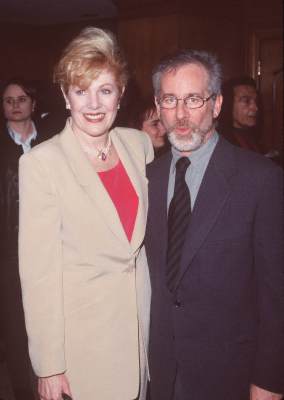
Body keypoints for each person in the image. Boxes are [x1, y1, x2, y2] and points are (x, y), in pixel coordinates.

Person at [18, 26, 154, 400]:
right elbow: (39, 275)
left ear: (121, 94)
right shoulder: (42, 164)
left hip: (141, 336)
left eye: (104, 90)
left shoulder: (139, 145)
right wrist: (49, 365)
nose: (93, 104)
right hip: (83, 347)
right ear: (65, 95)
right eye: (81, 91)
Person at [145, 50, 284, 400]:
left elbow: (276, 293)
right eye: (169, 100)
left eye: (193, 99)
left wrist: (269, 379)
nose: (180, 114)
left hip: (229, 374)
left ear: (217, 104)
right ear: (157, 105)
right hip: (158, 372)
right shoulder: (147, 178)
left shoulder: (260, 179)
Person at [0, 77, 51, 400]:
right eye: (8, 100)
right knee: (16, 326)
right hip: (9, 253)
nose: (15, 104)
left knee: (49, 320)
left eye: (21, 98)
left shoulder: (53, 141)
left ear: (33, 103)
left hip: (51, 247)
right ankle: (22, 390)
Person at [218, 76, 262, 152]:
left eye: (256, 101)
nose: (255, 108)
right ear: (228, 104)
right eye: (246, 101)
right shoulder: (220, 142)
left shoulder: (255, 135)